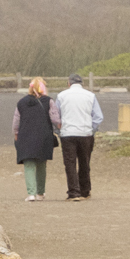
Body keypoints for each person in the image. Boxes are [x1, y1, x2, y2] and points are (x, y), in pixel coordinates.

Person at [55, 73, 104, 201]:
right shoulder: (90, 96)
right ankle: (85, 190)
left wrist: (58, 130)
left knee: (70, 163)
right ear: (82, 83)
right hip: (85, 134)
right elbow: (98, 117)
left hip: (67, 133)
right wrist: (91, 129)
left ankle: (73, 192)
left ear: (68, 83)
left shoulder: (61, 96)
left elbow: (56, 116)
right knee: (84, 162)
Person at [12, 77, 58, 201]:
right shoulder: (49, 101)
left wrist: (16, 133)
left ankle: (31, 193)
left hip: (25, 136)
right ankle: (40, 193)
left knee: (29, 164)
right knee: (42, 164)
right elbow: (55, 119)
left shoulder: (21, 102)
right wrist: (60, 127)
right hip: (44, 137)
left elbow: (16, 121)